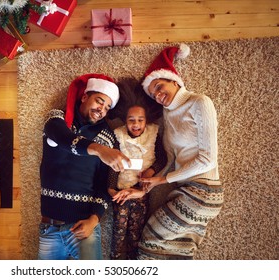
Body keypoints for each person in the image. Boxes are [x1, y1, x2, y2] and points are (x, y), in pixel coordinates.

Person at [113, 44, 224, 260]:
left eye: (159, 86)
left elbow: (208, 159)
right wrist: (147, 185)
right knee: (179, 252)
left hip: (203, 192)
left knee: (149, 242)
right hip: (183, 189)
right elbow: (171, 160)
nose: (157, 94)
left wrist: (163, 180)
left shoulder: (199, 102)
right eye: (153, 92)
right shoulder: (167, 116)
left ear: (174, 80)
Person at [38, 73, 130, 260]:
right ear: (85, 97)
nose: (101, 109)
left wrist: (93, 220)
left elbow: (104, 186)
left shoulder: (108, 138)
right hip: (50, 226)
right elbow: (65, 139)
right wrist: (98, 150)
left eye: (107, 107)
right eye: (99, 101)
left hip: (83, 226)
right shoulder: (57, 118)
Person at [106, 79, 166, 260]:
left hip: (141, 191)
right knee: (119, 230)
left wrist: (151, 171)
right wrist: (110, 188)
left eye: (140, 120)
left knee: (135, 231)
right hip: (121, 190)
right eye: (131, 120)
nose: (136, 124)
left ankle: (134, 263)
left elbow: (163, 158)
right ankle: (115, 260)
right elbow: (113, 165)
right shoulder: (118, 135)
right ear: (125, 121)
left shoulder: (154, 133)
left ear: (147, 120)